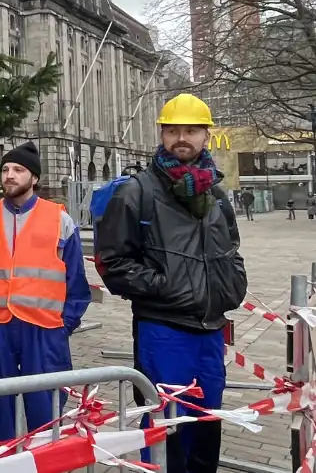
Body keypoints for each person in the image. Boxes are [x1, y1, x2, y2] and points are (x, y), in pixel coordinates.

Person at [95, 93, 247, 473]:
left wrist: (232, 285)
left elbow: (232, 248)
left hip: (211, 331)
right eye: (173, 130)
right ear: (162, 134)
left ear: (206, 136)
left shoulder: (215, 194)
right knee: (167, 427)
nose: (182, 137)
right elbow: (112, 263)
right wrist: (168, 287)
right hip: (162, 330)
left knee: (206, 421)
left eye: (191, 130)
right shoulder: (137, 191)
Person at [0, 141, 91, 443]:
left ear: (35, 178)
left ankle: (47, 461)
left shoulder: (60, 220)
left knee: (46, 409)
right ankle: (1, 460)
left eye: (18, 170)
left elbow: (76, 282)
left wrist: (65, 323)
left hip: (44, 329)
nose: (9, 175)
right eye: (5, 169)